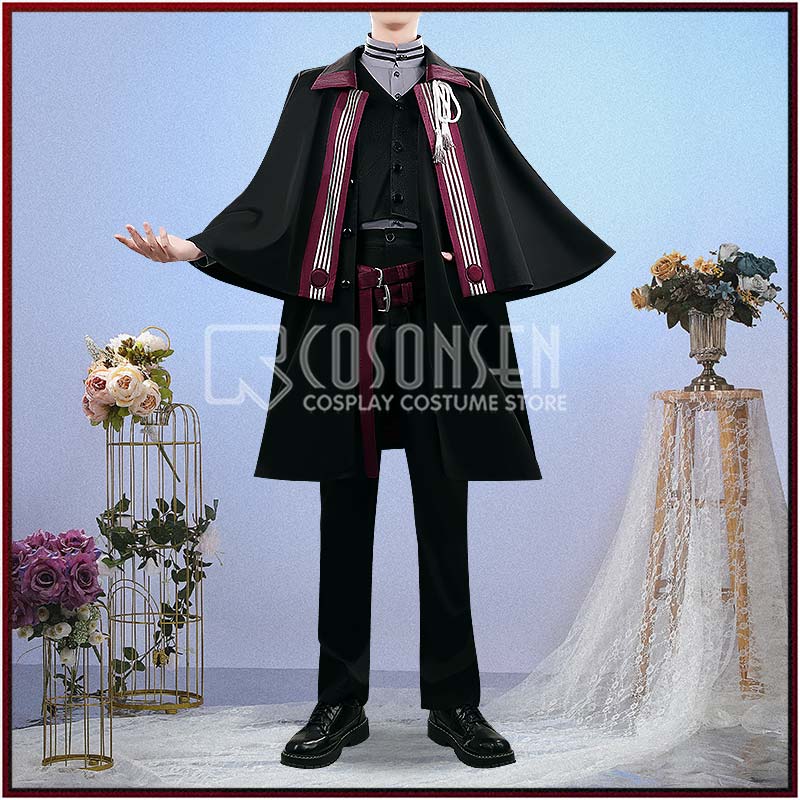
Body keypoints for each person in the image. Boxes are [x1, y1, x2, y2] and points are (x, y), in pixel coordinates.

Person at [114, 10, 615, 769]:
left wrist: (494, 255)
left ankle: (455, 703)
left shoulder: (465, 90)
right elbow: (277, 193)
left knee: (444, 508)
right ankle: (340, 703)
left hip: (441, 317)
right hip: (341, 316)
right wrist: (197, 246)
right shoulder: (317, 89)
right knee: (344, 510)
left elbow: (503, 194)